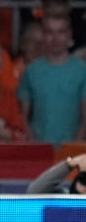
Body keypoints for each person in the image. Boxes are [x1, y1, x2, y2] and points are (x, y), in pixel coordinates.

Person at [17, 14, 86, 145]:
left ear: (69, 34)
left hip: (71, 152)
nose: (55, 38)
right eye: (50, 32)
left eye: (61, 32)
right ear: (44, 35)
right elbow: (22, 117)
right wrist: (33, 144)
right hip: (38, 151)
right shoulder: (31, 71)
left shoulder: (83, 71)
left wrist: (72, 148)